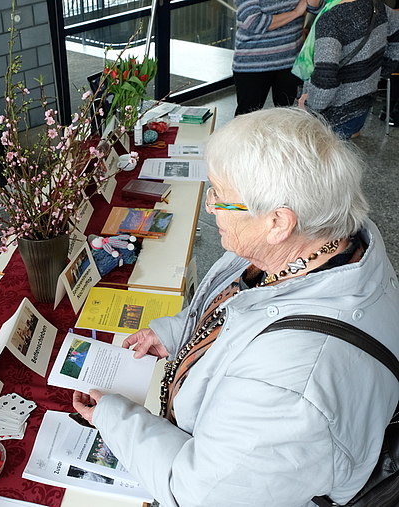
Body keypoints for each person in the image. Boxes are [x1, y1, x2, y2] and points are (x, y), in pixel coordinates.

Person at [72, 107, 399, 506]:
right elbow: (248, 304)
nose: (210, 207)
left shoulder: (290, 388)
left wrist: (113, 417)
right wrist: (178, 332)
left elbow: (199, 493)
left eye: (220, 197)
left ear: (278, 222)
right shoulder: (325, 238)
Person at [298, 0, 399, 138]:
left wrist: (310, 110)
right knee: (342, 151)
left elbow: (326, 78)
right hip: (363, 102)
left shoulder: (332, 19)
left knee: (324, 154)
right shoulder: (377, 7)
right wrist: (383, 69)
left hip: (333, 113)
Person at [233, 0, 322, 116]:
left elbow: (316, 8)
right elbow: (254, 23)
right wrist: (295, 13)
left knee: (291, 116)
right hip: (253, 64)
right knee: (247, 116)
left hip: (291, 61)